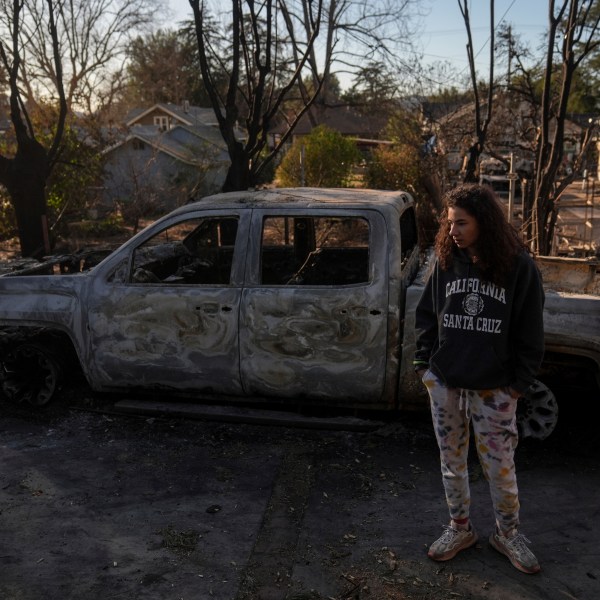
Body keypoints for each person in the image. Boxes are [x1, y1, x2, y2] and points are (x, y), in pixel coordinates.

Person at [413, 183, 545, 574]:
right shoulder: (446, 260)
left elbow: (531, 333)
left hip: (494, 388)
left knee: (500, 466)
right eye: (450, 222)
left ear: (484, 222)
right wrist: (426, 367)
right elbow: (425, 315)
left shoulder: (517, 266)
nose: (453, 230)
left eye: (462, 222)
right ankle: (460, 528)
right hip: (447, 382)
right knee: (451, 461)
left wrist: (518, 384)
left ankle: (508, 534)